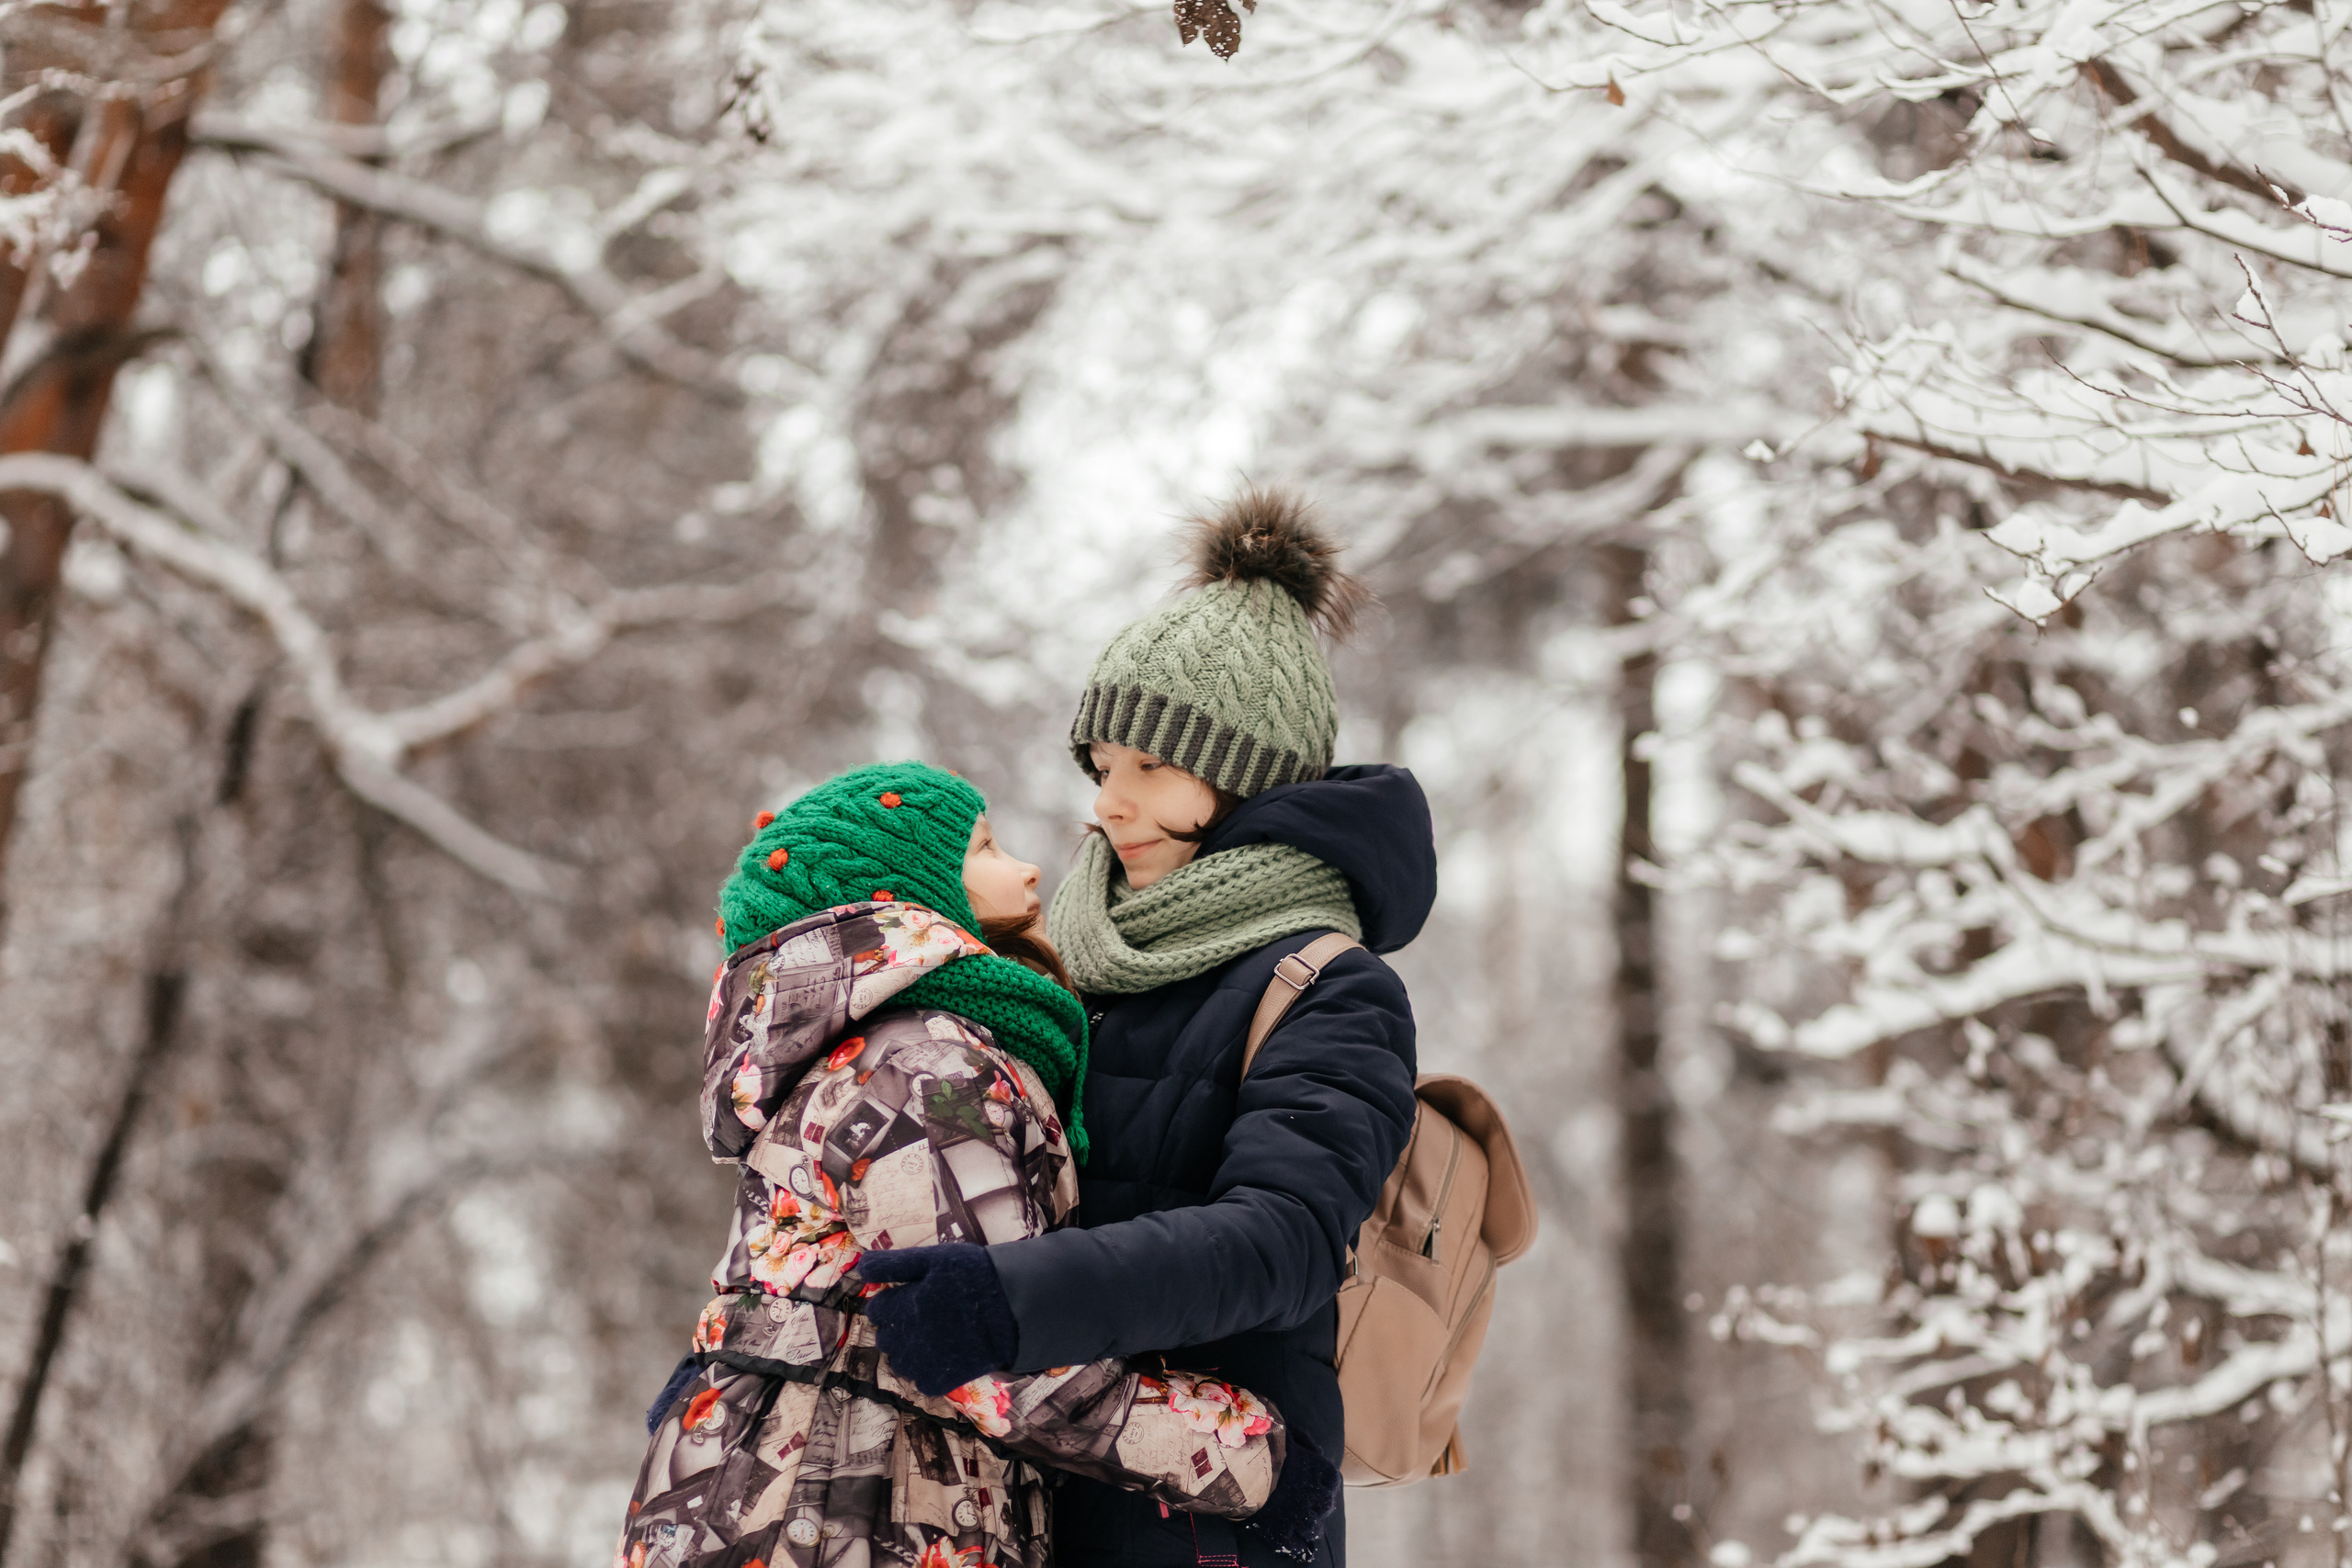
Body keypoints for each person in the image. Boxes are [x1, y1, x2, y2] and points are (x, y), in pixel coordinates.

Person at [861, 493, 1437, 1566]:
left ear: (1249, 779)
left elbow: (1284, 1241)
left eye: (1152, 769)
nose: (1107, 806)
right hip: (1028, 1501)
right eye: (1102, 767)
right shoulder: (1068, 960)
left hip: (1216, 1517)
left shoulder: (1328, 986)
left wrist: (1010, 1303)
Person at [616, 761, 1339, 1568]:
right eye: (986, 849)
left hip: (808, 1489)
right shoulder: (926, 1071)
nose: (1026, 869)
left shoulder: (872, 1050)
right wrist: (1258, 1461)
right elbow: (1004, 1359)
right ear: (908, 890)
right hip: (844, 1500)